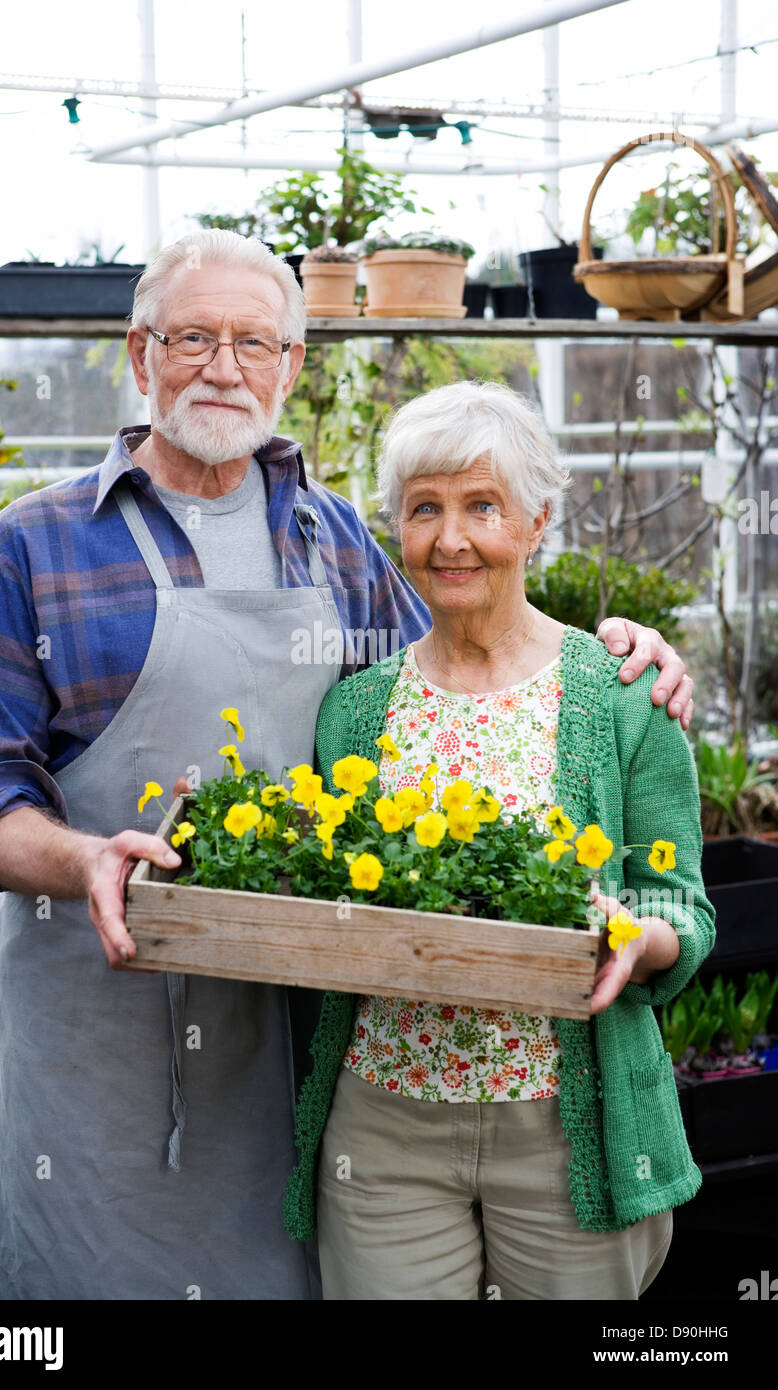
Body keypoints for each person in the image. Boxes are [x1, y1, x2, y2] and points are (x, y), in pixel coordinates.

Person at [0, 232, 694, 1301]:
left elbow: (473, 653)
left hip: (293, 1024)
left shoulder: (333, 541)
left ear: (290, 365)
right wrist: (87, 857)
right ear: (140, 357)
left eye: (253, 341)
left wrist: (617, 647)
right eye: (192, 336)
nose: (222, 367)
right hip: (97, 1012)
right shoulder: (34, 544)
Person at [283, 380, 715, 1301]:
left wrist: (641, 938)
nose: (451, 539)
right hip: (385, 1125)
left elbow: (679, 898)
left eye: (483, 506)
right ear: (396, 528)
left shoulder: (621, 693)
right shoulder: (354, 712)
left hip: (567, 1122)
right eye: (424, 509)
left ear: (536, 523)